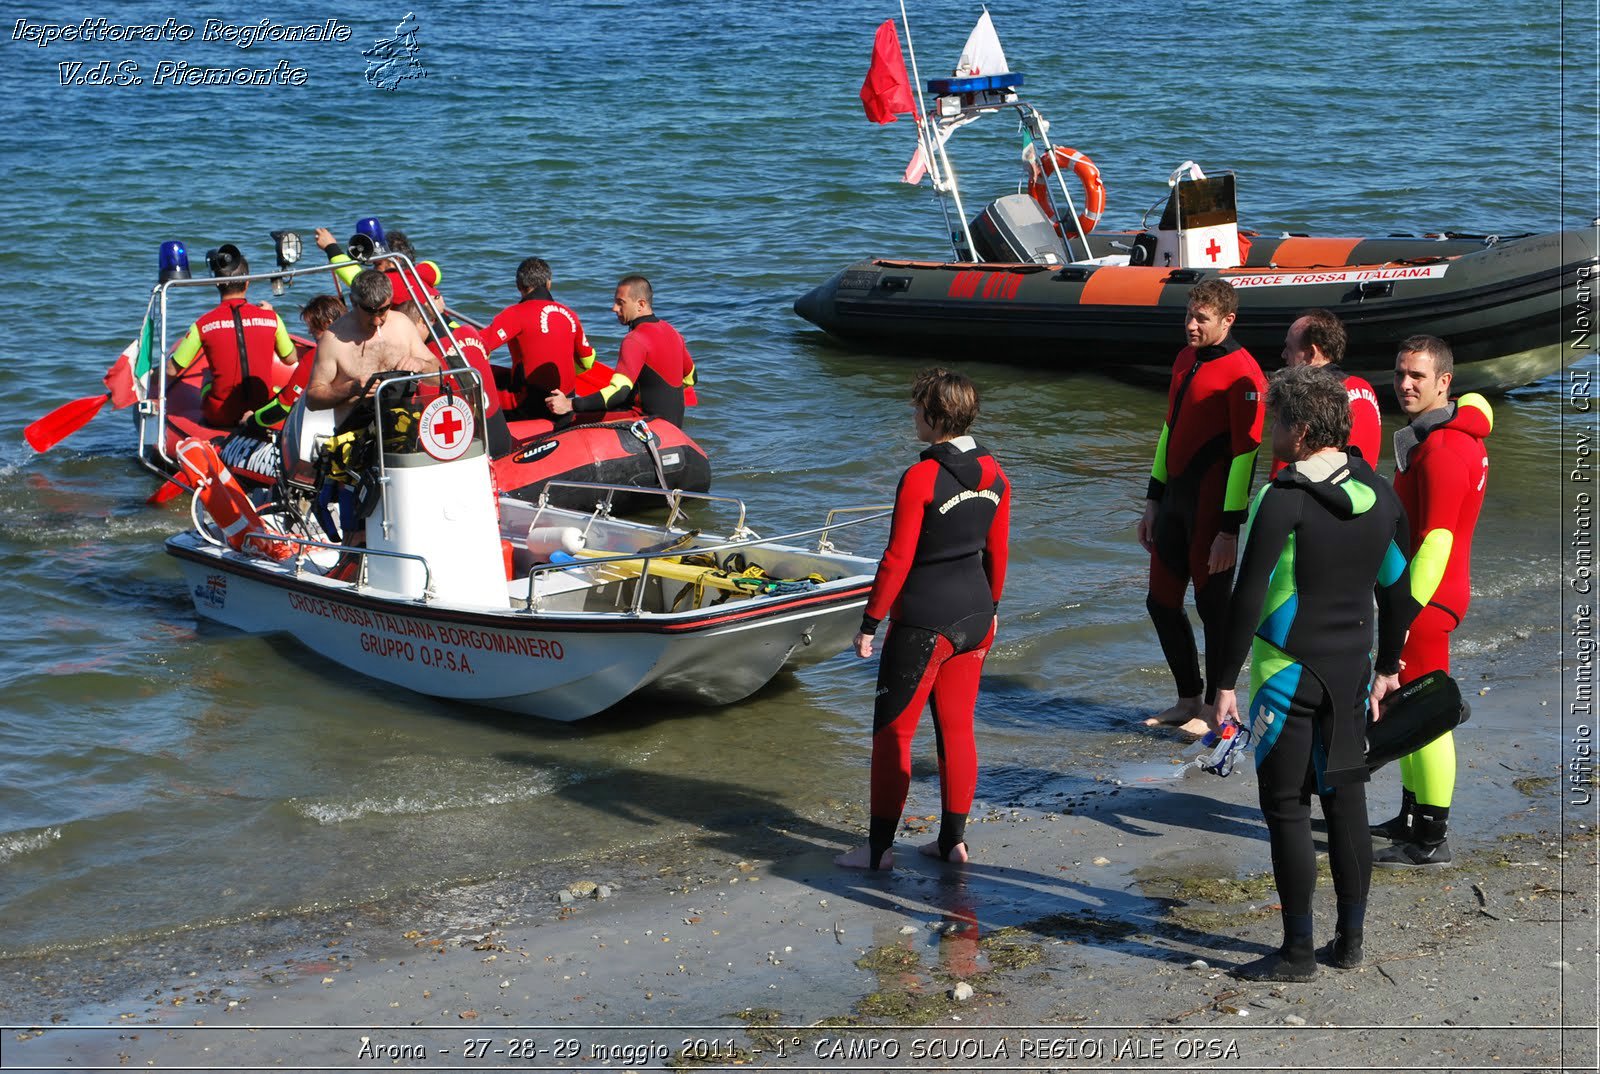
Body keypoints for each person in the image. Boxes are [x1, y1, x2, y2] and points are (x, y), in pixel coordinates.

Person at [1212, 365, 1418, 981]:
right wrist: (1387, 667)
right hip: (1352, 673)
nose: (1271, 430)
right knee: (1346, 801)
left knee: (1287, 808)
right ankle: (1349, 943)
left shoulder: (1285, 499)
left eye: (1278, 419)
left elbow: (1246, 598)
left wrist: (1221, 683)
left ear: (1300, 431)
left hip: (1287, 676)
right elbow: (1398, 590)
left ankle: (1298, 953)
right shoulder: (1380, 492)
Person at [836, 369, 1010, 871]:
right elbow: (997, 551)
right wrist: (993, 612)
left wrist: (870, 623)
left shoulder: (921, 477)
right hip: (976, 615)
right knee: (957, 731)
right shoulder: (997, 474)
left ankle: (877, 852)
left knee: (894, 734)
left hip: (924, 623)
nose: (913, 417)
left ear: (936, 417)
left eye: (917, 409)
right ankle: (953, 841)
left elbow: (896, 559)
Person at [1371, 334, 1492, 868]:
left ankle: (1432, 838)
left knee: (1429, 713)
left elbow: (1437, 541)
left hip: (1428, 596)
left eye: (1417, 376)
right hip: (1428, 591)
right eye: (1400, 373)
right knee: (1409, 707)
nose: (1404, 384)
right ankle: (1411, 814)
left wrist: (1402, 615)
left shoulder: (1444, 448)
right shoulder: (1444, 435)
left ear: (1445, 382)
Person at [1137, 278, 1267, 735]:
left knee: (1213, 609)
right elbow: (1169, 430)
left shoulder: (1245, 373)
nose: (1191, 325)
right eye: (1188, 315)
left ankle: (1216, 707)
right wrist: (1152, 499)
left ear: (1228, 321)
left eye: (1201, 319)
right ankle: (1188, 698)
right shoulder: (1184, 358)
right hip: (1173, 502)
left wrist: (1230, 528)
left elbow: (1246, 454)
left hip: (1213, 511)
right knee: (1160, 602)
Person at [163, 244, 298, 429]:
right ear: (248, 282)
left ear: (217, 283)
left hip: (221, 416)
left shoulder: (203, 324)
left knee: (208, 374)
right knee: (273, 387)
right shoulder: (272, 318)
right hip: (261, 412)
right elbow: (291, 359)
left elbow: (171, 371)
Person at [547, 275, 696, 428]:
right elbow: (691, 378)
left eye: (620, 303)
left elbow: (619, 392)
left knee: (566, 420)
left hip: (645, 424)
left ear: (641, 304)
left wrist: (570, 404)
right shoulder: (673, 333)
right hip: (672, 426)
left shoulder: (635, 339)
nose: (614, 308)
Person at [304, 269, 438, 419]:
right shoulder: (333, 339)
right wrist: (350, 389)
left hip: (404, 424)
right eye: (369, 311)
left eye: (383, 310)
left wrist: (421, 365)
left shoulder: (403, 324)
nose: (377, 320)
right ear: (353, 302)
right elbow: (312, 400)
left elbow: (439, 377)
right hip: (355, 432)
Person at [480, 257, 597, 423]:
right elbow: (587, 360)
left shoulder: (514, 314)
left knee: (481, 379)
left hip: (529, 407)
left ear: (518, 286)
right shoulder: (569, 314)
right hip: (564, 403)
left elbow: (478, 346)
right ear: (549, 283)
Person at [395, 293, 511, 455]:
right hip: (500, 435)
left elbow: (429, 412)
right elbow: (486, 352)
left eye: (407, 331)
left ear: (422, 322)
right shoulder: (469, 331)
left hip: (476, 447)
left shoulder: (431, 359)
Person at [1272, 308, 1382, 474]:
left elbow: (1282, 474)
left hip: (1314, 496)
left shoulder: (1304, 399)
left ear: (1311, 353)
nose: (1283, 355)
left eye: (1289, 347)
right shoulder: (1365, 388)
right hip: (1362, 492)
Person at [246, 294, 347, 431]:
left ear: (328, 323)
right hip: (350, 420)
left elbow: (284, 407)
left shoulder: (317, 356)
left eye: (313, 328)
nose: (309, 331)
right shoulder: (359, 344)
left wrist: (251, 420)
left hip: (324, 428)